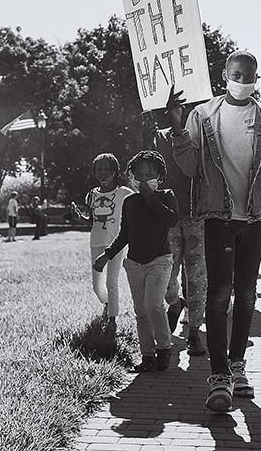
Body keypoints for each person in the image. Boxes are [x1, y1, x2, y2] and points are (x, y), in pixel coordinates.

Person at [168, 50, 261, 412]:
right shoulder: (203, 115)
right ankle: (219, 375)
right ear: (224, 74)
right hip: (218, 217)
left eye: (250, 76)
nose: (243, 81)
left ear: (257, 79)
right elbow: (191, 167)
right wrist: (177, 127)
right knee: (218, 295)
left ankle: (238, 366)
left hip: (256, 217)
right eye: (237, 74)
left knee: (245, 296)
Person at [93, 150, 179, 372]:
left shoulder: (166, 195)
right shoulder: (130, 202)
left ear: (159, 176)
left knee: (154, 305)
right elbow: (124, 234)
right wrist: (107, 255)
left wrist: (150, 196)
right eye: (138, 175)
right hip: (134, 263)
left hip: (160, 260)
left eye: (148, 174)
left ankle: (164, 348)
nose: (142, 179)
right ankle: (147, 355)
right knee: (141, 312)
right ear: (131, 175)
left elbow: (171, 219)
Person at [143, 109, 208, 356]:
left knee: (196, 277)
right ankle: (175, 302)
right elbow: (146, 172)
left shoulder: (201, 137)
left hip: (197, 216)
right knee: (166, 274)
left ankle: (194, 332)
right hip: (168, 218)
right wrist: (145, 140)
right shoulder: (159, 137)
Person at [83, 153, 134, 325]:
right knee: (97, 286)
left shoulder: (124, 193)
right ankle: (107, 303)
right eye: (99, 169)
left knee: (111, 281)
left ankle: (113, 318)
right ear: (95, 172)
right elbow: (92, 219)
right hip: (96, 242)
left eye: (106, 169)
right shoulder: (92, 195)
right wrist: (79, 217)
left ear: (114, 171)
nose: (103, 172)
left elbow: (139, 206)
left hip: (116, 244)